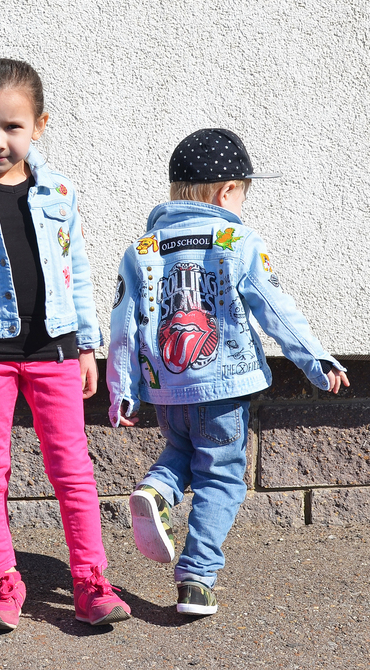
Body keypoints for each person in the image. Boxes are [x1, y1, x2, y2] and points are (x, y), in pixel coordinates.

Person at [0, 58, 130, 630]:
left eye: (13, 126)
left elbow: (77, 271)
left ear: (39, 125)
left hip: (54, 351)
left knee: (72, 469)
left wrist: (86, 345)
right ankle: (2, 582)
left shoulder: (58, 192)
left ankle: (90, 580)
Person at [107, 128, 349, 616]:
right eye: (243, 194)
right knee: (221, 478)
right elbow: (275, 309)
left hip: (168, 391)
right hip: (223, 388)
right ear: (226, 192)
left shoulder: (142, 249)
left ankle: (156, 490)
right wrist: (316, 361)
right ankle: (197, 578)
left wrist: (123, 390)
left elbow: (123, 326)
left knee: (180, 451)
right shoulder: (237, 241)